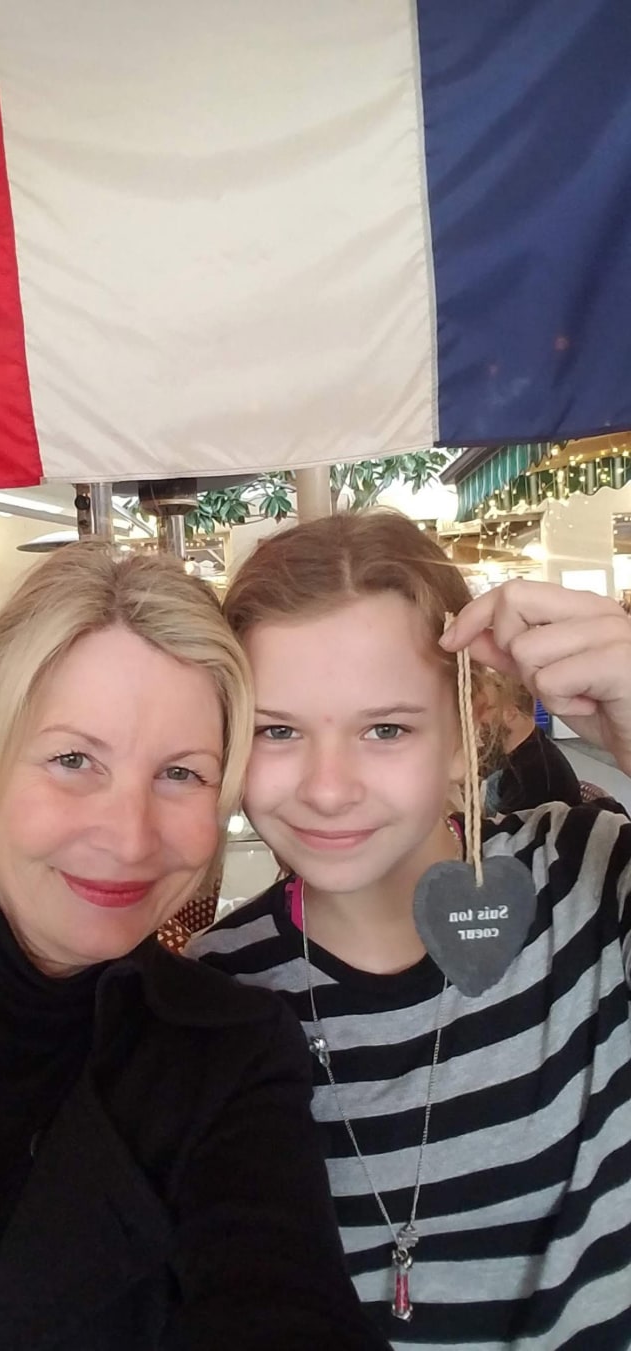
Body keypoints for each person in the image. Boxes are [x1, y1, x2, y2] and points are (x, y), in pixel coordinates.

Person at [0, 542, 379, 1351]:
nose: (130, 836)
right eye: (74, 759)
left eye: (180, 774)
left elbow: (279, 1299)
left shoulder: (232, 1052)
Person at [189, 511, 631, 1350]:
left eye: (385, 728)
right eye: (277, 730)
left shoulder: (590, 877)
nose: (327, 788)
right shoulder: (212, 994)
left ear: (473, 730)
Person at [477, 671, 583, 813]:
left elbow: (503, 833)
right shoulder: (513, 749)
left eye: (484, 708)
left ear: (510, 714)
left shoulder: (534, 778)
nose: (476, 717)